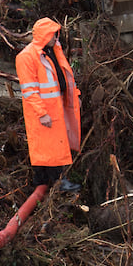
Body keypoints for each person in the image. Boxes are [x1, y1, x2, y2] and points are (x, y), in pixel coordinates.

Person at [16, 18, 82, 193]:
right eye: (53, 33)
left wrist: (74, 97)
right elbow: (29, 90)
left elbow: (64, 78)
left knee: (50, 146)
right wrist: (42, 112)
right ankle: (58, 182)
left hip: (54, 108)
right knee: (49, 147)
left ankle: (44, 181)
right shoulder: (27, 57)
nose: (56, 37)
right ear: (45, 35)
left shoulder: (49, 52)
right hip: (43, 111)